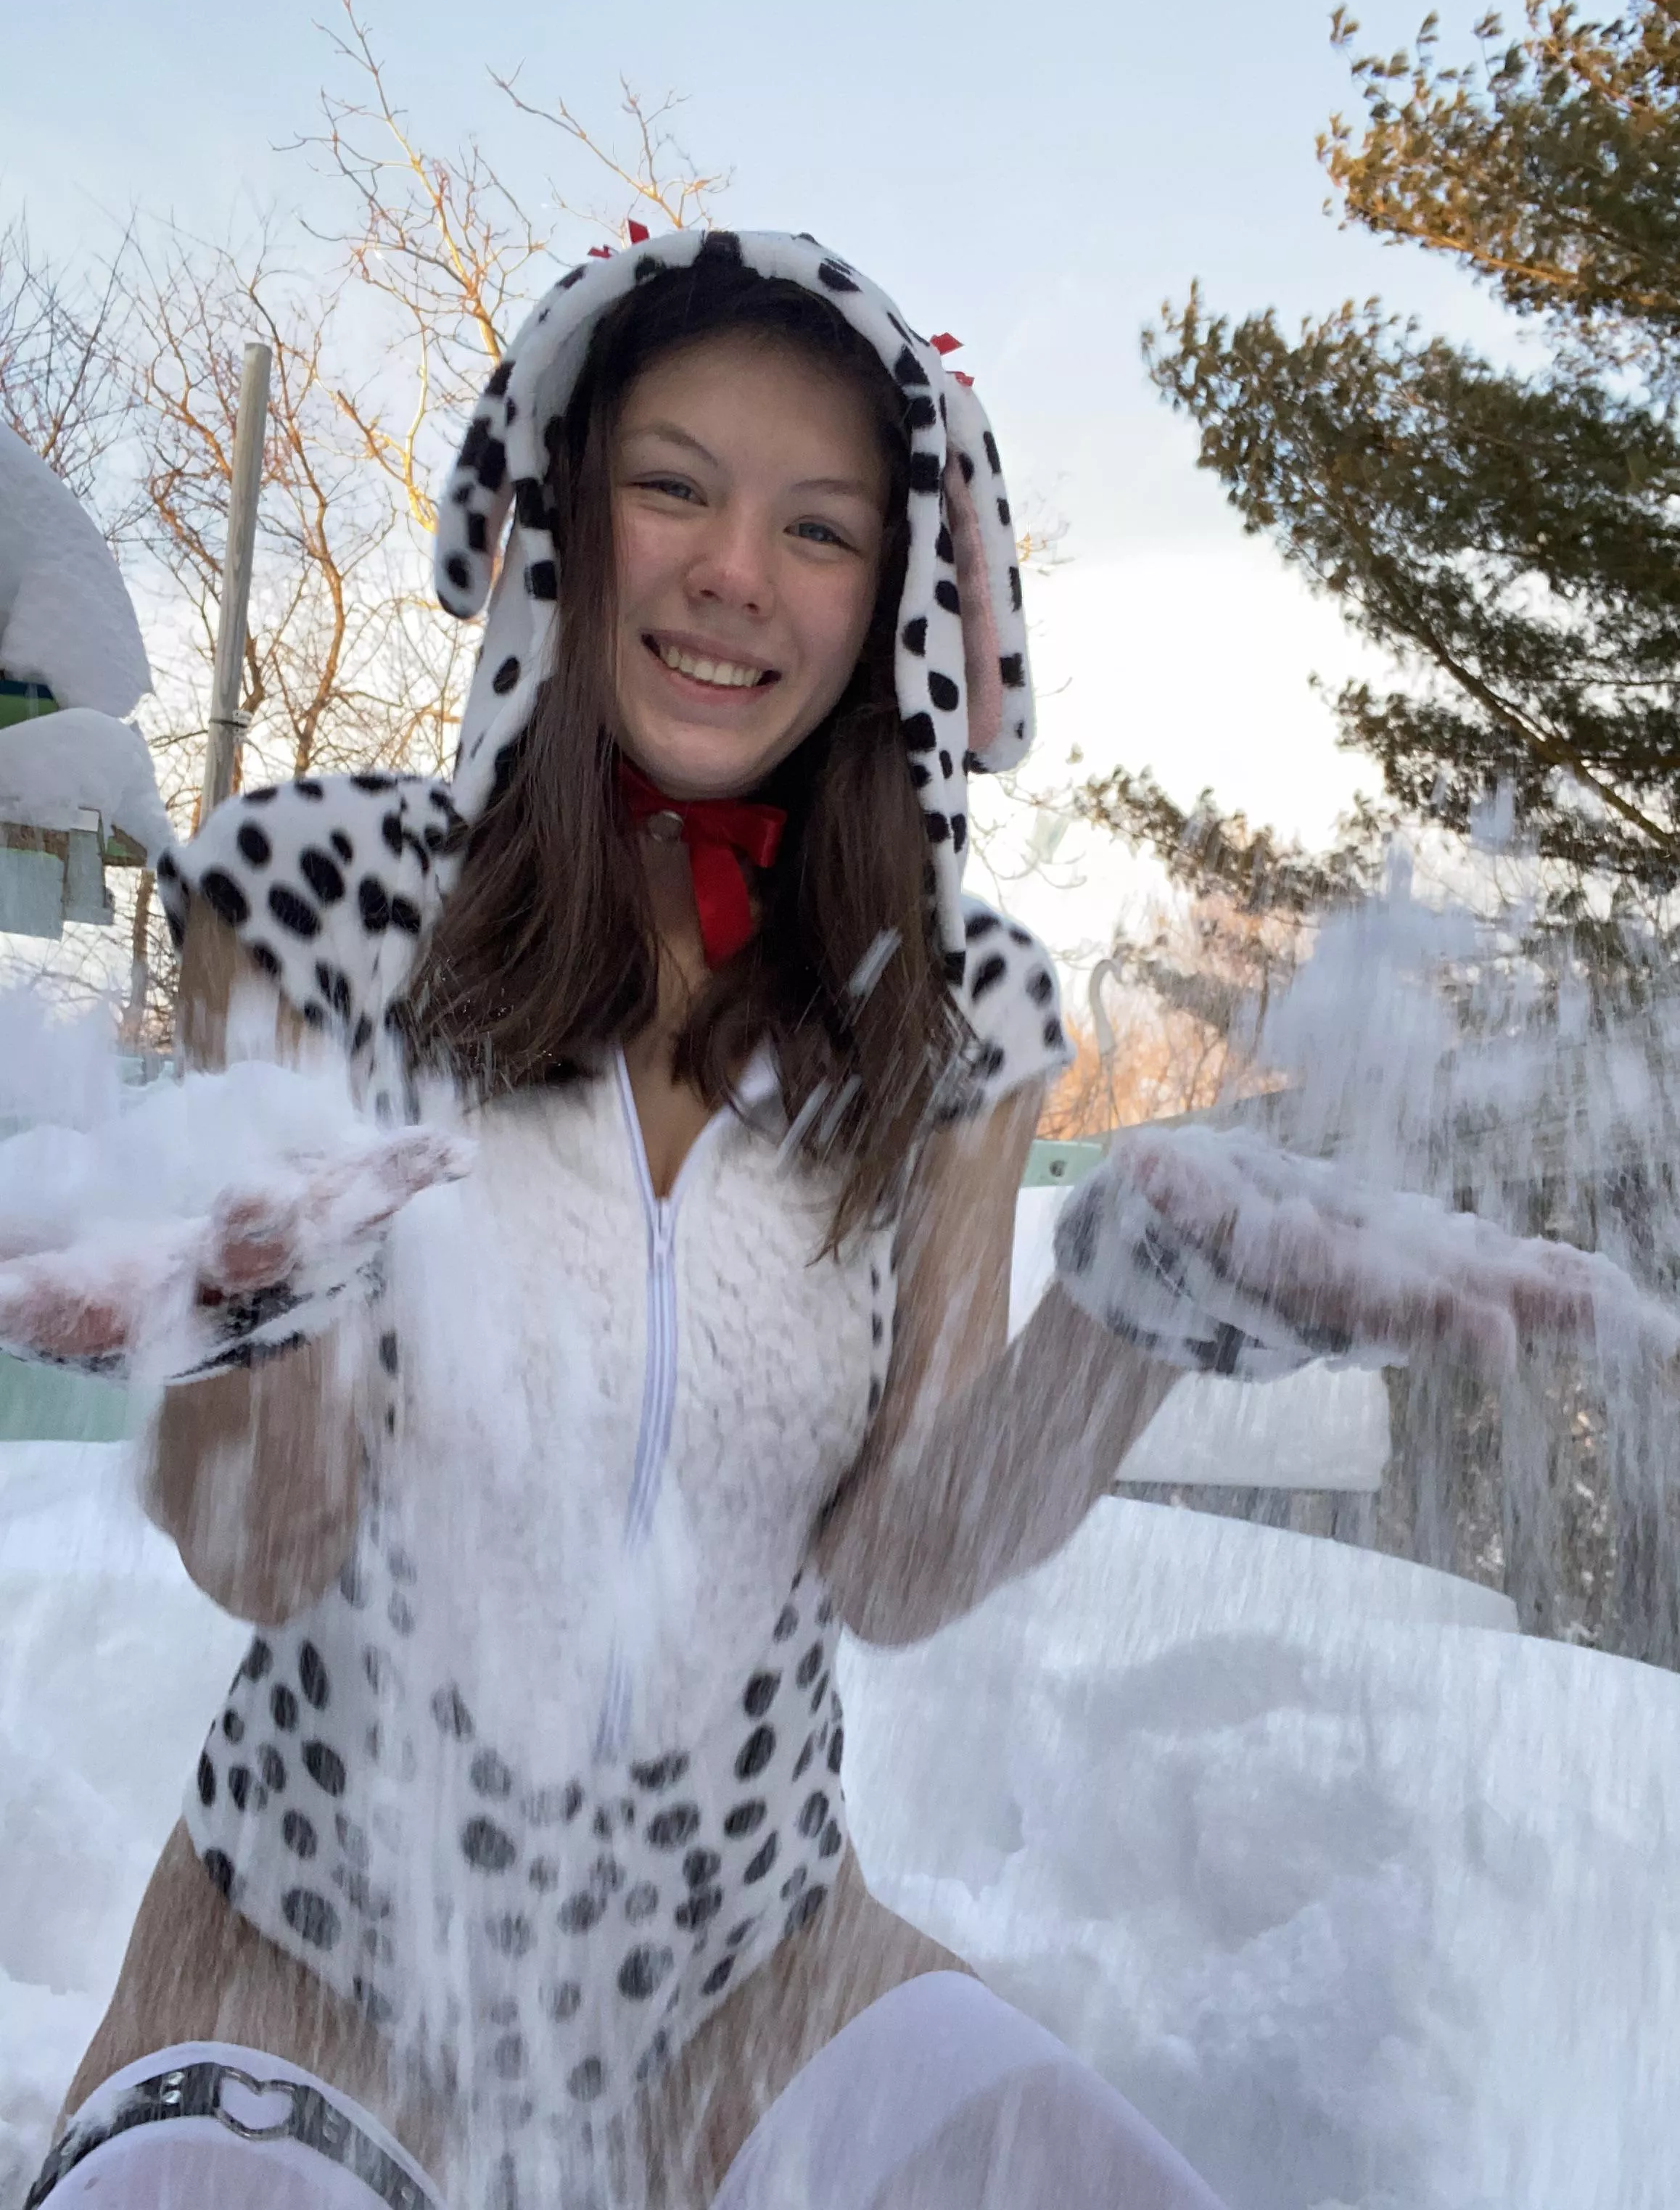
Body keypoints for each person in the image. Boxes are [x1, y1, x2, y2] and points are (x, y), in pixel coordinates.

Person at [6, 229, 1609, 2210]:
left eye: (819, 527)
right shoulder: (313, 899)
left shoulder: (962, 1012)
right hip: (312, 1953)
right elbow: (264, 1555)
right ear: (567, 519)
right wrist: (266, 1316)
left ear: (895, 600)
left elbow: (899, 1563)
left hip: (747, 1975)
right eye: (673, 486)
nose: (734, 573)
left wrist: (1135, 1311)